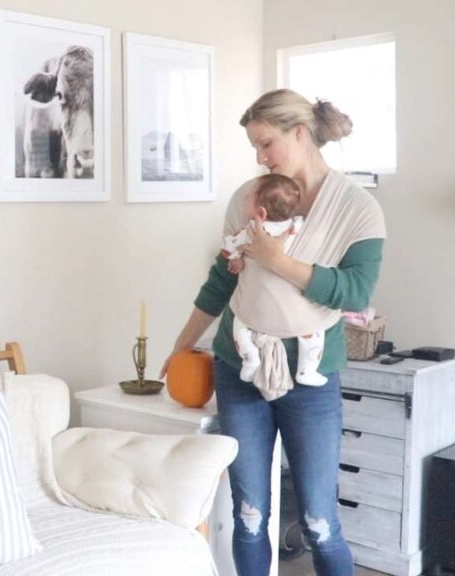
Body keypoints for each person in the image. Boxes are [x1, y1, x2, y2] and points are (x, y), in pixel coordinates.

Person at [161, 88, 386, 576]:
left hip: (311, 378)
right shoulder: (249, 198)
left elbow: (355, 292)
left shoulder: (358, 208)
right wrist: (180, 347)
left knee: (320, 520)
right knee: (249, 515)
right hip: (239, 367)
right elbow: (222, 279)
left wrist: (278, 261)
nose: (260, 158)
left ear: (300, 133)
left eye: (266, 144)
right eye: (255, 149)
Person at [220, 174, 331, 390]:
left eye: (249, 197)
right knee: (316, 330)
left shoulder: (250, 232)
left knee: (239, 325)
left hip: (256, 307)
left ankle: (250, 358)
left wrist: (235, 258)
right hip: (294, 311)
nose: (244, 199)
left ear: (260, 213)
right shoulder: (297, 228)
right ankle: (307, 370)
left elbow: (227, 248)